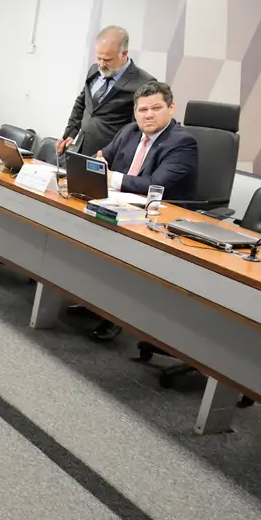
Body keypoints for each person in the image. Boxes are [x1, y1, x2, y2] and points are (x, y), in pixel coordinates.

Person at [87, 80, 198, 343]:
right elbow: (103, 155)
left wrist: (110, 177)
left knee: (120, 252)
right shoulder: (129, 131)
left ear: (171, 108)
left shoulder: (182, 143)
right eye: (142, 109)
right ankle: (91, 298)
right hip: (122, 206)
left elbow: (153, 185)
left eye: (156, 108)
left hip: (160, 216)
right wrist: (98, 161)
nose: (148, 115)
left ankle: (115, 315)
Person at [56, 25, 154, 157]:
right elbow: (82, 103)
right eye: (98, 58)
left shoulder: (144, 83)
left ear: (124, 53)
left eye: (108, 60)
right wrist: (70, 133)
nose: (101, 64)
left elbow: (137, 130)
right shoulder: (94, 70)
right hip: (81, 149)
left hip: (110, 157)